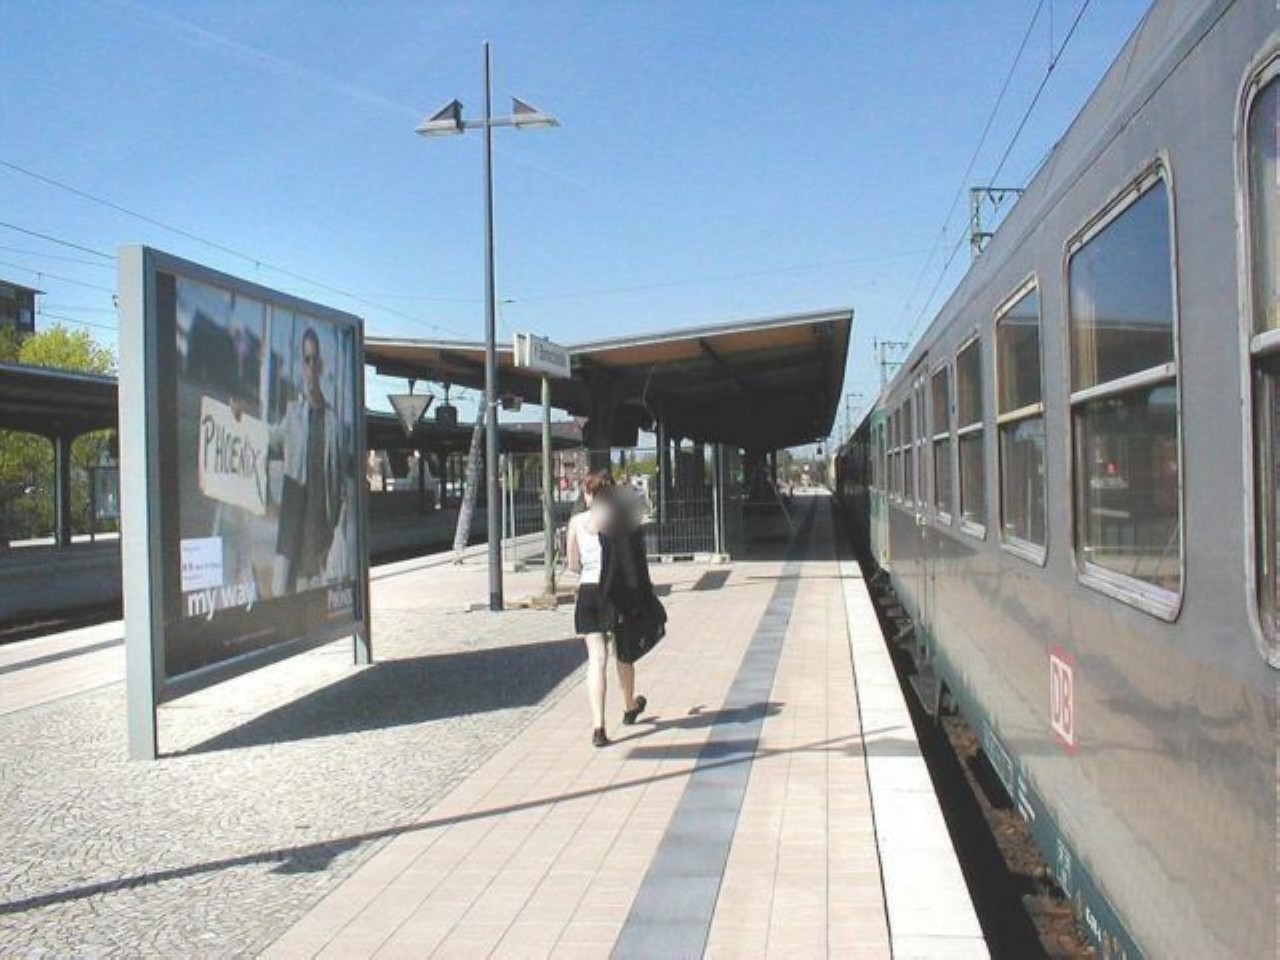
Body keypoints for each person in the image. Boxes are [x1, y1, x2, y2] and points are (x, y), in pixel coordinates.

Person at [566, 469, 660, 747]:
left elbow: (573, 564)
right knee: (623, 652)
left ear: (589, 495)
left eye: (585, 492)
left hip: (588, 592)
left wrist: (586, 565)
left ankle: (598, 726)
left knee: (596, 659)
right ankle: (629, 705)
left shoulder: (576, 522)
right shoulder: (620, 520)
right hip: (615, 592)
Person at [269, 327, 344, 596]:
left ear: (322, 366)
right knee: (288, 603)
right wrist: (238, 422)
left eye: (315, 359)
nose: (311, 366)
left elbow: (343, 485)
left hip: (322, 547)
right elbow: (267, 441)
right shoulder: (292, 416)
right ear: (302, 366)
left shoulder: (334, 423)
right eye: (306, 359)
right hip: (294, 543)